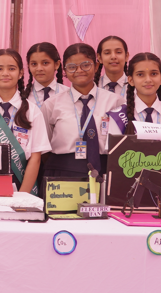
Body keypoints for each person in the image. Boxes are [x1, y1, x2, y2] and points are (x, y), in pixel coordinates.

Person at [41, 43, 124, 187]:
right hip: (63, 172)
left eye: (85, 65)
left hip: (105, 170)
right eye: (72, 67)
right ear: (64, 70)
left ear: (96, 66)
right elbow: (45, 147)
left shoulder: (115, 102)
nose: (79, 71)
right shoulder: (51, 104)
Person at [0, 49, 50, 194]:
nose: (5, 73)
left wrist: (23, 195)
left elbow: (35, 158)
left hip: (22, 181)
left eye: (11, 69)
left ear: (21, 73)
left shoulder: (32, 110)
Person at [107, 52, 161, 135]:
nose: (148, 80)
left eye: (153, 74)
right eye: (140, 74)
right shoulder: (119, 116)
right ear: (131, 80)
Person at [25, 42, 67, 111]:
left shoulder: (68, 94)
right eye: (34, 64)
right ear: (28, 66)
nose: (39, 69)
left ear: (56, 64)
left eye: (45, 63)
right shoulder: (21, 96)